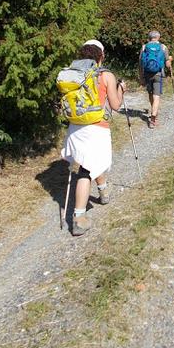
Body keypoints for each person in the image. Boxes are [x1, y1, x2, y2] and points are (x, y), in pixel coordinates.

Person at [60, 39, 126, 236]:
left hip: (75, 128)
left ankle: (104, 191)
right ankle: (79, 218)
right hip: (96, 129)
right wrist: (121, 89)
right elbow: (115, 105)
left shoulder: (73, 75)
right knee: (84, 172)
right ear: (101, 56)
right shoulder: (106, 75)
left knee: (87, 162)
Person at [139, 30, 172, 128]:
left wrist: (141, 77)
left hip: (147, 74)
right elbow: (167, 63)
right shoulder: (163, 47)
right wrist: (170, 60)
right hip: (158, 73)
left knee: (150, 93)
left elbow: (140, 63)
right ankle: (154, 116)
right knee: (156, 95)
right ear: (158, 37)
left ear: (149, 37)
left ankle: (154, 112)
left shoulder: (144, 47)